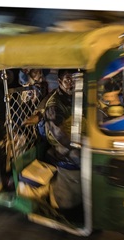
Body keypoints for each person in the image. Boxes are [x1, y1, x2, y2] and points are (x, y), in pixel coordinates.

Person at [43, 69, 82, 210]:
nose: (72, 83)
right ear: (60, 82)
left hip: (76, 137)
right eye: (67, 79)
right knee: (82, 158)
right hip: (60, 144)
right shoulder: (54, 104)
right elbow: (58, 133)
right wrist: (76, 145)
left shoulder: (76, 96)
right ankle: (64, 202)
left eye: (74, 79)